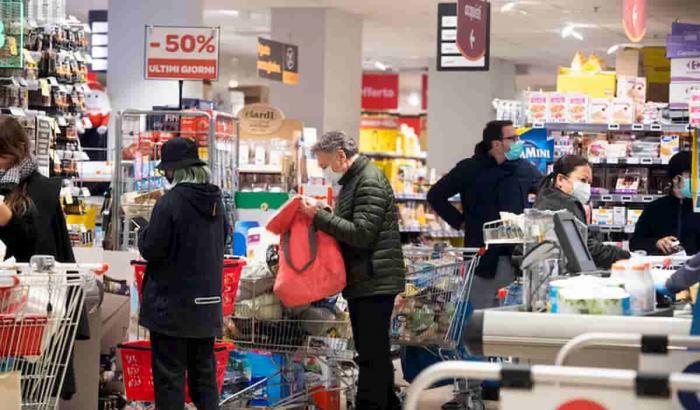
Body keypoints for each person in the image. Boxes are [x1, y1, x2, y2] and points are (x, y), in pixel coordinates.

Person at [299, 131, 404, 410]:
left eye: (325, 165)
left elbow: (361, 234)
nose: (325, 172)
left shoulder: (368, 180)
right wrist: (327, 213)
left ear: (341, 156)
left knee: (371, 354)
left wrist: (320, 217)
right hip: (366, 278)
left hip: (374, 278)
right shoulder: (355, 181)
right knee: (373, 351)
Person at [0, 116, 87, 401]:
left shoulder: (41, 191)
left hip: (27, 312)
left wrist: (7, 218)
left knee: (22, 391)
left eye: (1, 156)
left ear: (19, 150)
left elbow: (37, 250)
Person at [138, 138, 228, 410]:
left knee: (170, 378)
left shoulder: (170, 203)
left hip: (171, 307)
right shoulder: (216, 202)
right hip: (207, 304)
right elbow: (223, 239)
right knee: (204, 376)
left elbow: (152, 249)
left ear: (172, 171)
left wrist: (142, 230)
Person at [427, 120, 542, 309]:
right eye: (513, 138)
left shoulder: (523, 169)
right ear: (496, 144)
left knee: (511, 320)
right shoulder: (470, 169)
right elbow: (435, 195)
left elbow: (544, 190)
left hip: (516, 258)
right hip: (481, 258)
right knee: (478, 320)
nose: (519, 141)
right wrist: (460, 222)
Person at [535, 155, 630, 268]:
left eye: (589, 183)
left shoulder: (547, 197)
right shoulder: (565, 203)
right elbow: (586, 250)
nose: (586, 187)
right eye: (582, 180)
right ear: (560, 179)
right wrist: (624, 255)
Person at [630, 151, 700, 256]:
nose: (697, 180)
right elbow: (635, 243)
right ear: (676, 179)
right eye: (692, 175)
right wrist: (657, 243)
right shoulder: (654, 209)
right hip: (661, 268)